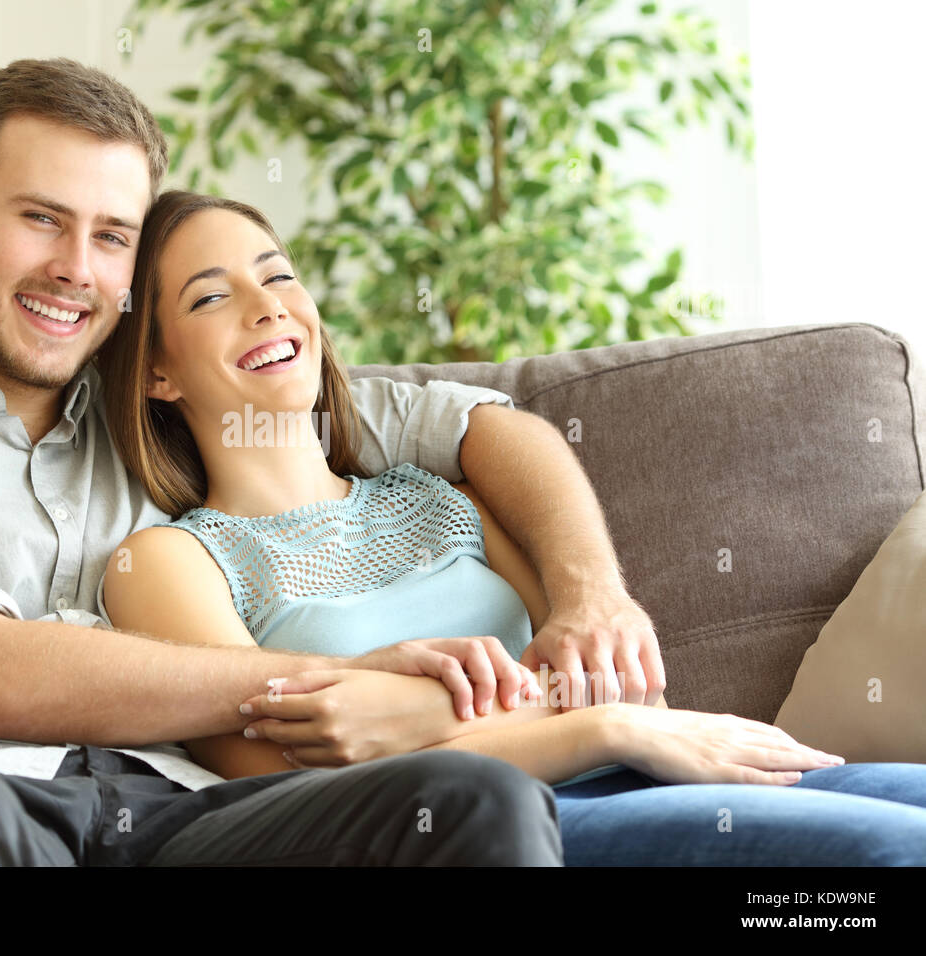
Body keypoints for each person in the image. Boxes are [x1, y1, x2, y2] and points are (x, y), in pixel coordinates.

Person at [0, 58, 663, 867]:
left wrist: (590, 595)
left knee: (470, 799)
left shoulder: (159, 411)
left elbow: (476, 425)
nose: (76, 268)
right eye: (42, 219)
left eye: (112, 237)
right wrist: (322, 679)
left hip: (172, 815)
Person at [98, 189, 926, 866]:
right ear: (157, 370)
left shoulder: (443, 496)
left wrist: (427, 718)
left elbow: (628, 684)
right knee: (890, 859)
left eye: (277, 276)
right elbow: (293, 794)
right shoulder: (169, 562)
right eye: (211, 295)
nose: (265, 307)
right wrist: (595, 727)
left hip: (659, 767)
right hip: (519, 830)